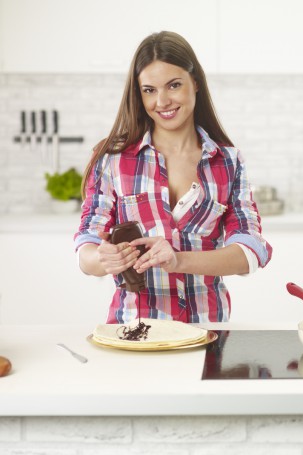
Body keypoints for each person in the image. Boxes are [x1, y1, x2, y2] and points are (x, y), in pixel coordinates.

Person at [74, 31, 272, 324]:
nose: (162, 101)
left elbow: (250, 252)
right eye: (149, 90)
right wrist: (104, 259)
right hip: (135, 330)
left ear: (195, 83)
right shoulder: (112, 160)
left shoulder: (227, 162)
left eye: (174, 85)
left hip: (208, 329)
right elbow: (87, 249)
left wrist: (178, 260)